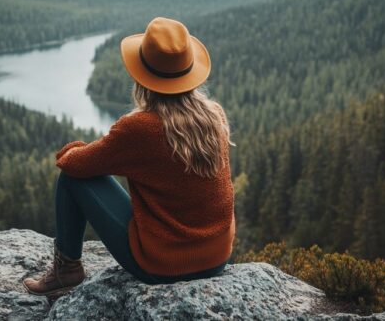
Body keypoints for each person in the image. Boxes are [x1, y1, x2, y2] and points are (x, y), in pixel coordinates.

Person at [22, 16, 236, 296]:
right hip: (218, 258)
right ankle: (66, 270)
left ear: (142, 77)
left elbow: (73, 164)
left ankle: (67, 270)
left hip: (161, 266)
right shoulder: (214, 115)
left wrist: (74, 148)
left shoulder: (141, 128)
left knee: (72, 179)